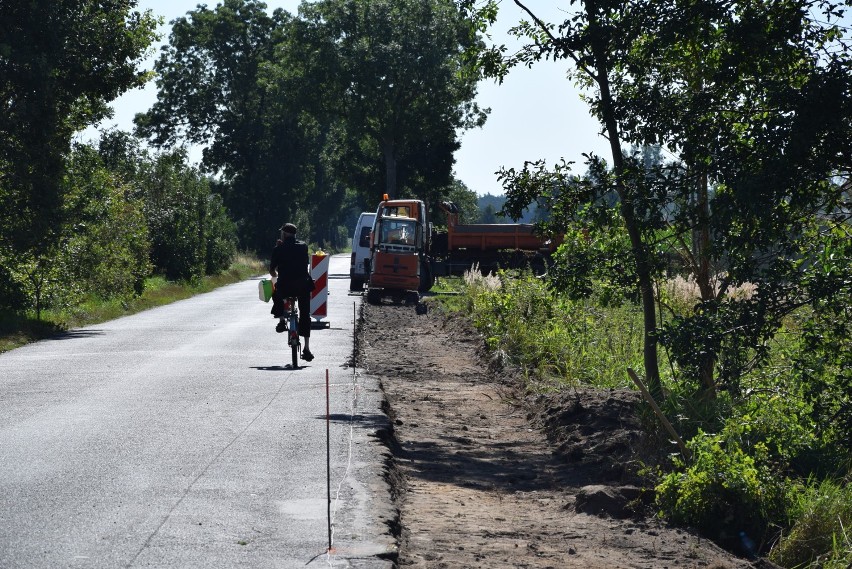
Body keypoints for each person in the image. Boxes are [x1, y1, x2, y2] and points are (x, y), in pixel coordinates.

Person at [269, 223, 314, 362]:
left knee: (276, 293)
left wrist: (276, 275)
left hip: (285, 286)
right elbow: (304, 263)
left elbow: (272, 269)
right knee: (305, 314)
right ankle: (307, 348)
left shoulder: (279, 248)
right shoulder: (303, 246)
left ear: (284, 234)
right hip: (302, 286)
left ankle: (282, 321)